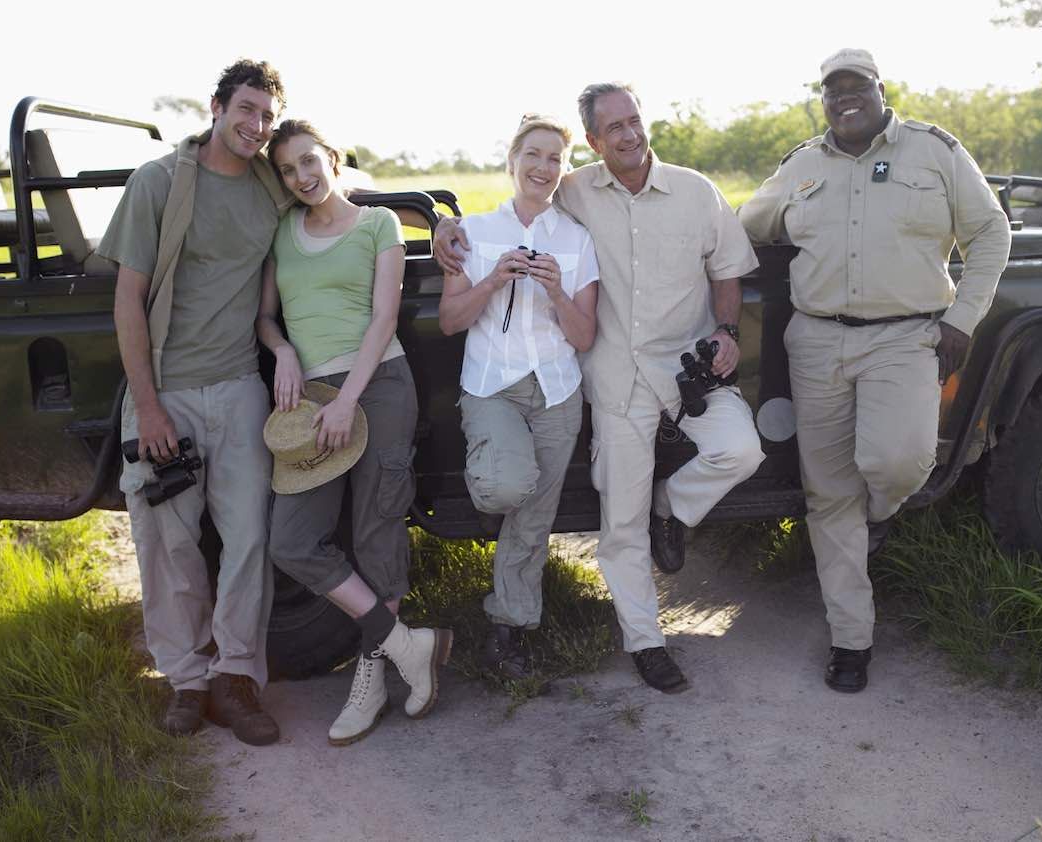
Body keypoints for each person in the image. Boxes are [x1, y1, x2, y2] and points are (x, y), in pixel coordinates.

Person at [435, 84, 765, 693]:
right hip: (614, 382)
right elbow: (521, 193)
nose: (628, 134)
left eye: (634, 120)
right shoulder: (574, 187)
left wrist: (726, 331)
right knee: (619, 524)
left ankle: (674, 508)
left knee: (742, 449)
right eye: (612, 127)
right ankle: (646, 643)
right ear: (594, 141)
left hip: (687, 367)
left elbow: (728, 273)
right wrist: (445, 226)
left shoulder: (697, 192)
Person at [739, 48, 1011, 693]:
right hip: (816, 342)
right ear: (822, 100)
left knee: (897, 463)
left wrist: (963, 319)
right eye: (833, 90)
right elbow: (746, 226)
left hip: (907, 338)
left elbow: (990, 232)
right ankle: (850, 640)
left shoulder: (935, 152)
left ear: (881, 90)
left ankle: (882, 510)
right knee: (828, 495)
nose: (845, 98)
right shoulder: (801, 165)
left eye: (856, 85)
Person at [99, 59, 290, 745]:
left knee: (248, 540)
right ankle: (185, 680)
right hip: (167, 390)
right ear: (216, 107)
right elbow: (128, 297)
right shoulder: (159, 183)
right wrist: (148, 406)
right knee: (168, 544)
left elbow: (330, 189)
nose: (256, 126)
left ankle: (236, 679)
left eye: (267, 116)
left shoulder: (272, 185)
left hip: (239, 384)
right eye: (246, 110)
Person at [259, 119, 453, 746]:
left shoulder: (378, 225)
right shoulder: (282, 233)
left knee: (376, 529)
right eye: (288, 170)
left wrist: (349, 399)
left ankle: (368, 682)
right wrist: (283, 349)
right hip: (313, 397)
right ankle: (407, 645)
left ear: (332, 159)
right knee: (291, 539)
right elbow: (265, 316)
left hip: (380, 385)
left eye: (309, 162)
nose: (302, 178)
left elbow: (384, 318)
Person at [437, 115, 599, 680]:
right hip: (491, 383)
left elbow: (584, 337)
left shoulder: (577, 240)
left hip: (557, 386)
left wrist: (555, 288)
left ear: (563, 168)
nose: (542, 167)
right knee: (509, 488)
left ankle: (509, 629)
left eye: (554, 158)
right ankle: (493, 496)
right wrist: (490, 281)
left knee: (536, 515)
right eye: (533, 155)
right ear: (512, 162)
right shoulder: (472, 233)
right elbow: (451, 322)